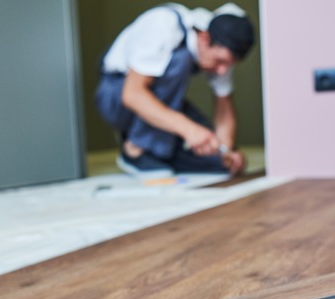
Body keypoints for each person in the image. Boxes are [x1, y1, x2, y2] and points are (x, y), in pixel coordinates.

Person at [95, 3, 255, 179]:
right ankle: (135, 149)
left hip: (162, 102)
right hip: (116, 96)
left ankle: (158, 153)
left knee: (215, 156)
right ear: (204, 38)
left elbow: (224, 109)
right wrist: (188, 130)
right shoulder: (164, 25)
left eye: (229, 64)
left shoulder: (220, 55)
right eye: (220, 61)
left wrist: (226, 151)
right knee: (181, 60)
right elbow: (132, 94)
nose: (222, 71)